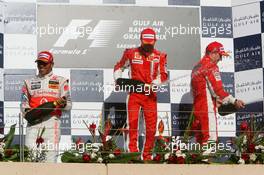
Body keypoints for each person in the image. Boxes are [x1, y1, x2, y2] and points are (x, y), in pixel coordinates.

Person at [113, 28, 168, 160]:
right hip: (134, 94)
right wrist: (118, 79)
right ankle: (133, 154)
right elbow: (119, 66)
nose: (148, 45)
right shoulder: (131, 53)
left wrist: (155, 83)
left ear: (155, 41)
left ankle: (147, 156)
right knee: (132, 124)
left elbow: (164, 75)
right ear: (141, 40)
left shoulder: (160, 55)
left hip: (150, 94)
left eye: (150, 43)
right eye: (145, 42)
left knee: (151, 127)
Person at [20, 51, 72, 162]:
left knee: (50, 158)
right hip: (33, 123)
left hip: (52, 122)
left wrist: (63, 104)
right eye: (39, 63)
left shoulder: (61, 81)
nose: (41, 65)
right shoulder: (28, 82)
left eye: (44, 63)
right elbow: (24, 104)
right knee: (30, 157)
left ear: (51, 64)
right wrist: (30, 113)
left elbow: (69, 105)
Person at [191, 41, 245, 145]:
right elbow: (218, 90)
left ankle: (198, 160)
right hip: (206, 108)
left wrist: (215, 100)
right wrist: (234, 101)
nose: (220, 60)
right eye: (220, 56)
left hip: (197, 106)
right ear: (213, 54)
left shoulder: (196, 66)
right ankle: (205, 161)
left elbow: (198, 90)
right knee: (210, 137)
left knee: (201, 138)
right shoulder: (211, 66)